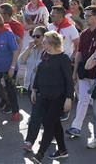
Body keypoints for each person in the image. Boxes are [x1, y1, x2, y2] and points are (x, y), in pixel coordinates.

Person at [30, 31, 73, 163]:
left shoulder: (64, 58)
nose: (42, 43)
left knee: (49, 123)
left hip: (58, 97)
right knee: (54, 123)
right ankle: (62, 150)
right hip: (44, 95)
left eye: (45, 42)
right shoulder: (45, 55)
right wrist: (34, 89)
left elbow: (69, 80)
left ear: (53, 44)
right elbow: (39, 72)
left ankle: (40, 154)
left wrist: (69, 98)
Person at [67, 5, 96, 138]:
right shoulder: (84, 33)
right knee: (83, 100)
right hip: (84, 73)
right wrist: (74, 73)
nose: (85, 18)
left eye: (88, 15)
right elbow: (79, 52)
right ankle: (76, 127)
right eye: (85, 15)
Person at [20, 26, 47, 152]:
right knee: (42, 115)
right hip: (31, 86)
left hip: (43, 88)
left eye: (38, 36)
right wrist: (29, 48)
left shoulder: (49, 51)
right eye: (33, 36)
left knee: (35, 116)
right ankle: (50, 133)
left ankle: (29, 141)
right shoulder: (32, 49)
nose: (35, 39)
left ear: (44, 37)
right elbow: (21, 61)